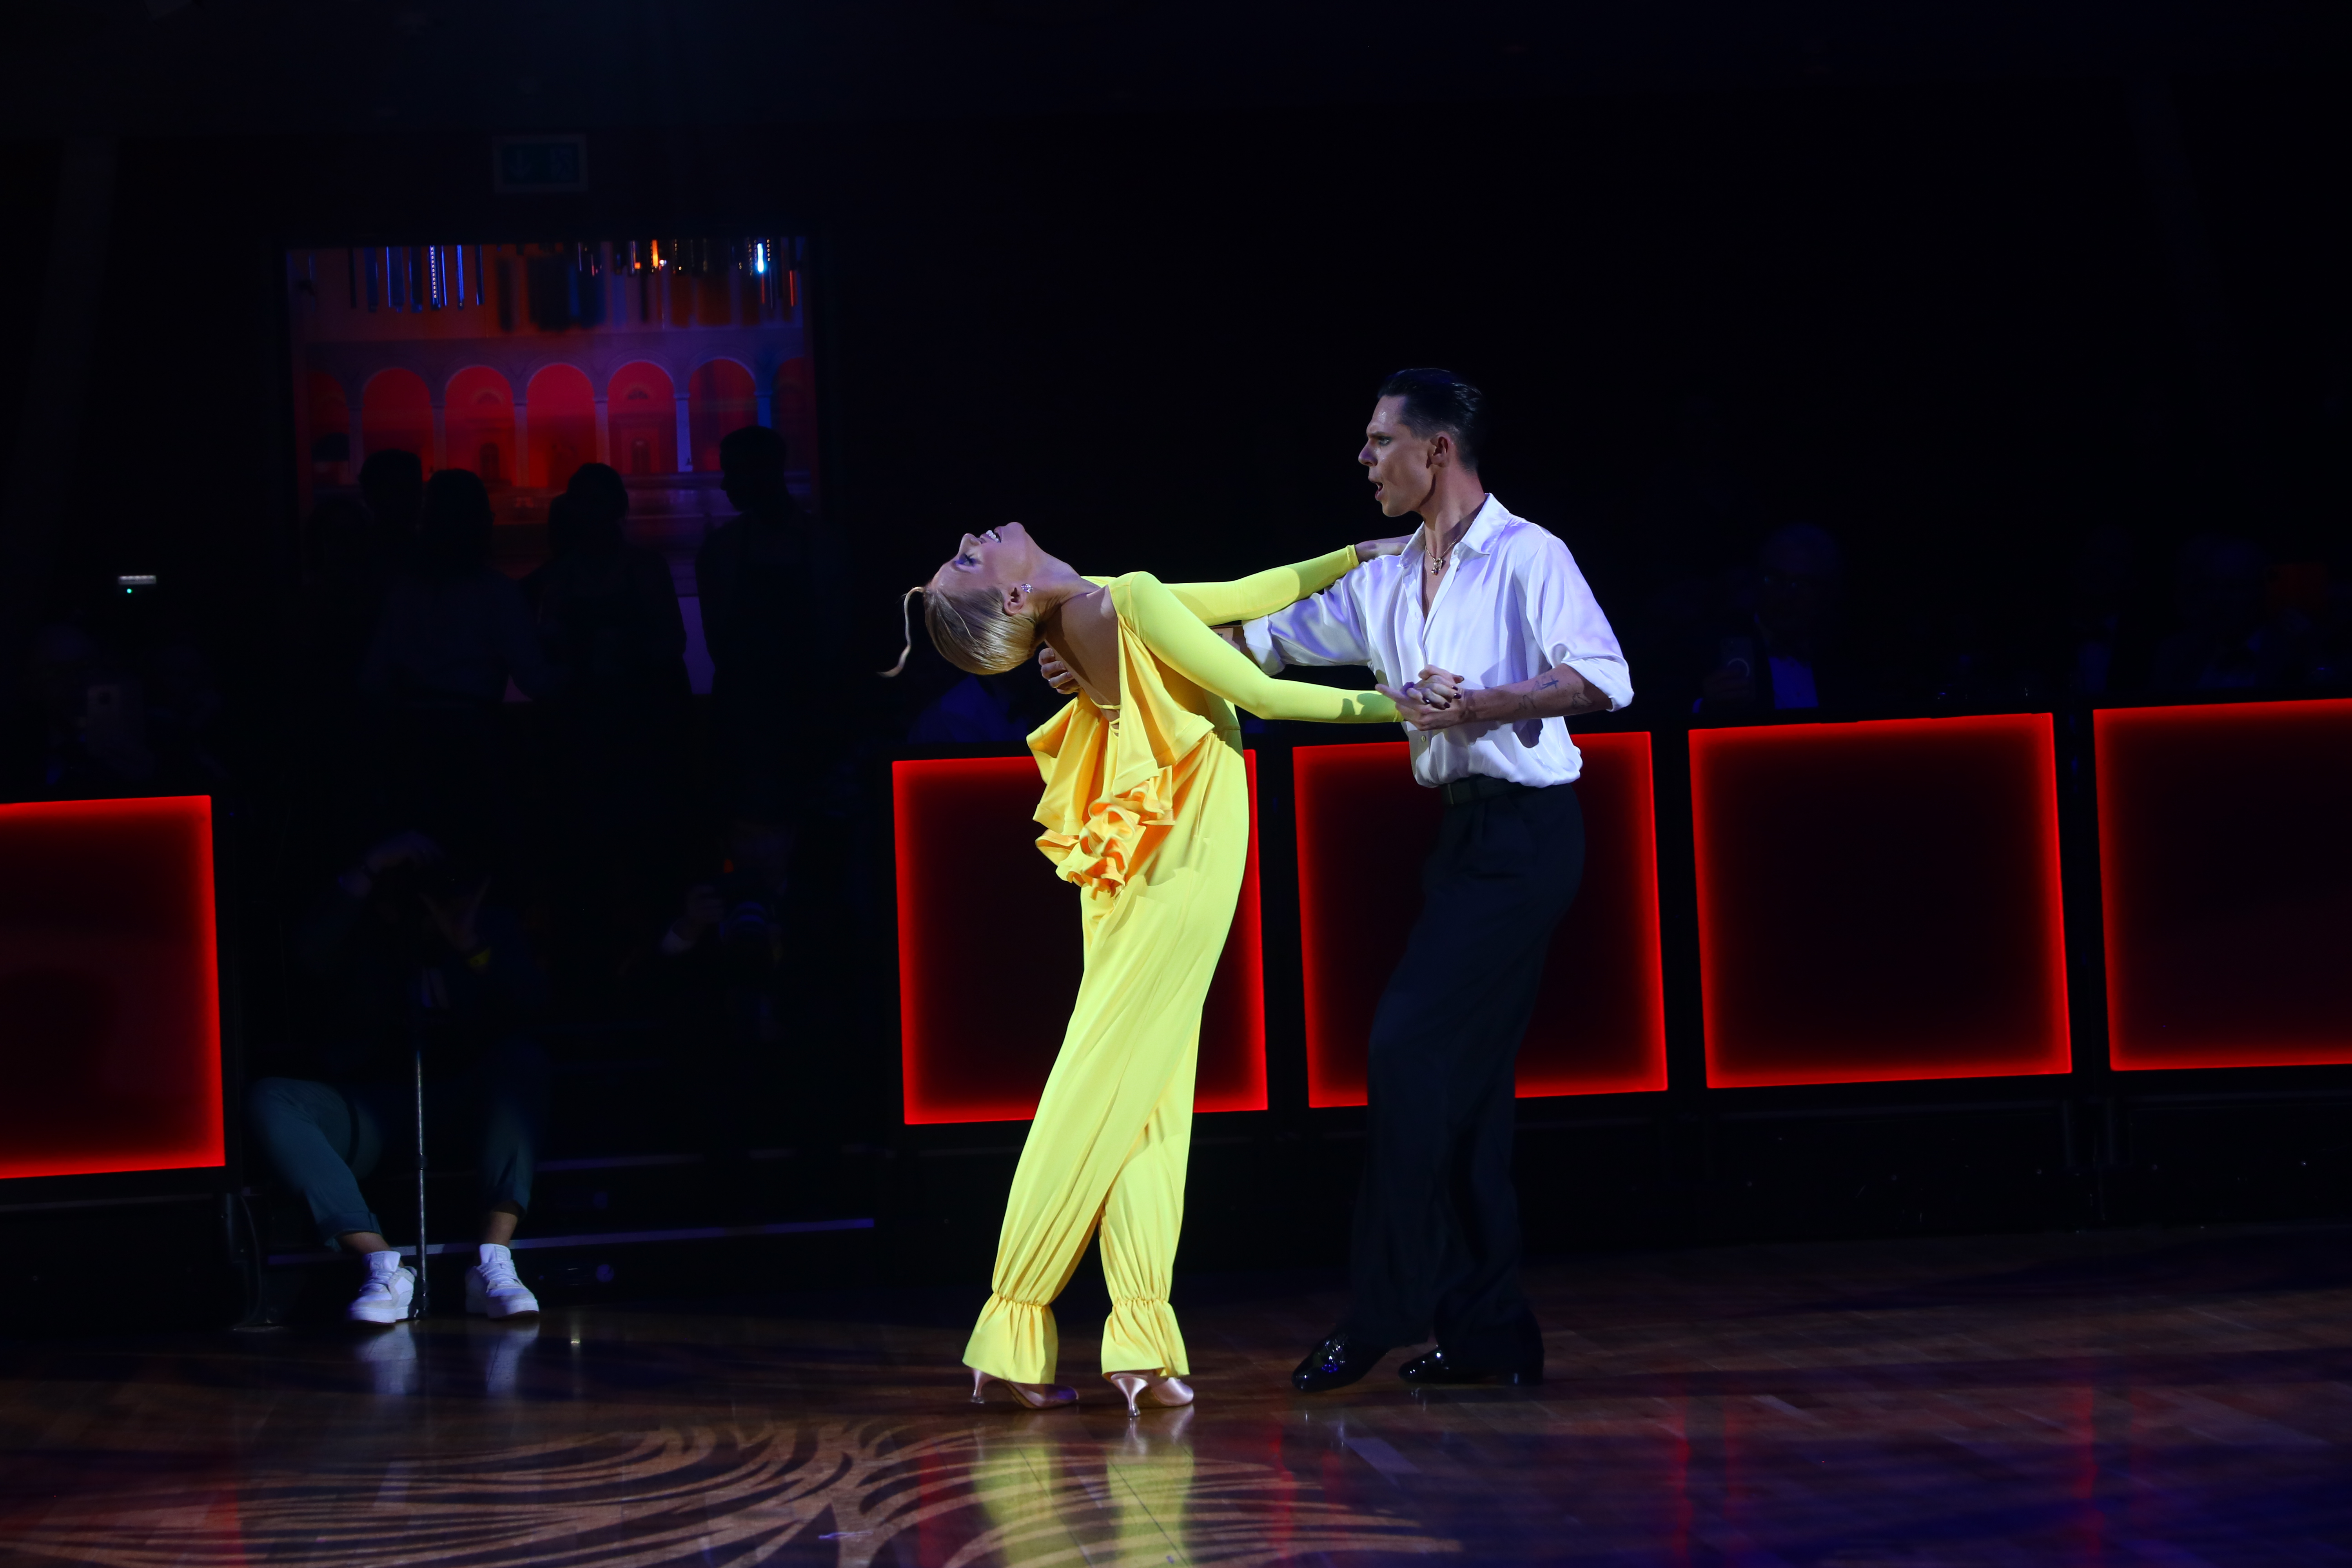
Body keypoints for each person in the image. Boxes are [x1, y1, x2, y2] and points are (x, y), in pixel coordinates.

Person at [887, 520, 1409, 1415]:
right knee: (1102, 1086)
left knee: (1149, 1097)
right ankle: (1012, 1322)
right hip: (1179, 855)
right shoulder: (1117, 599)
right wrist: (1412, 707)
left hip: (1156, 852)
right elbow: (1262, 694)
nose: (974, 536)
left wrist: (1350, 558)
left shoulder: (1103, 600)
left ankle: (1138, 1333)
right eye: (970, 559)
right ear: (1013, 598)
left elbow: (1245, 594)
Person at [1233, 369, 1633, 1392]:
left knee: (1407, 1047)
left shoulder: (1528, 554)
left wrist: (1480, 706)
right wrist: (1109, 645)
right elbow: (1255, 644)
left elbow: (1603, 679)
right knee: (1467, 1097)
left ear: (1436, 452)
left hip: (1529, 840)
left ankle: (1386, 1311)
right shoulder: (1383, 581)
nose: (1364, 460)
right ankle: (1491, 1332)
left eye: (1379, 443)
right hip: (1462, 844)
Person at [245, 831, 551, 1325]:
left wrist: (469, 943)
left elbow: (532, 1004)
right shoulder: (366, 932)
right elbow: (306, 953)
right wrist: (370, 867)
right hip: (374, 1107)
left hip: (463, 1104)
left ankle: (494, 1260)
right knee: (272, 1096)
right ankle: (382, 1264)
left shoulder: (489, 931)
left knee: (524, 1060)